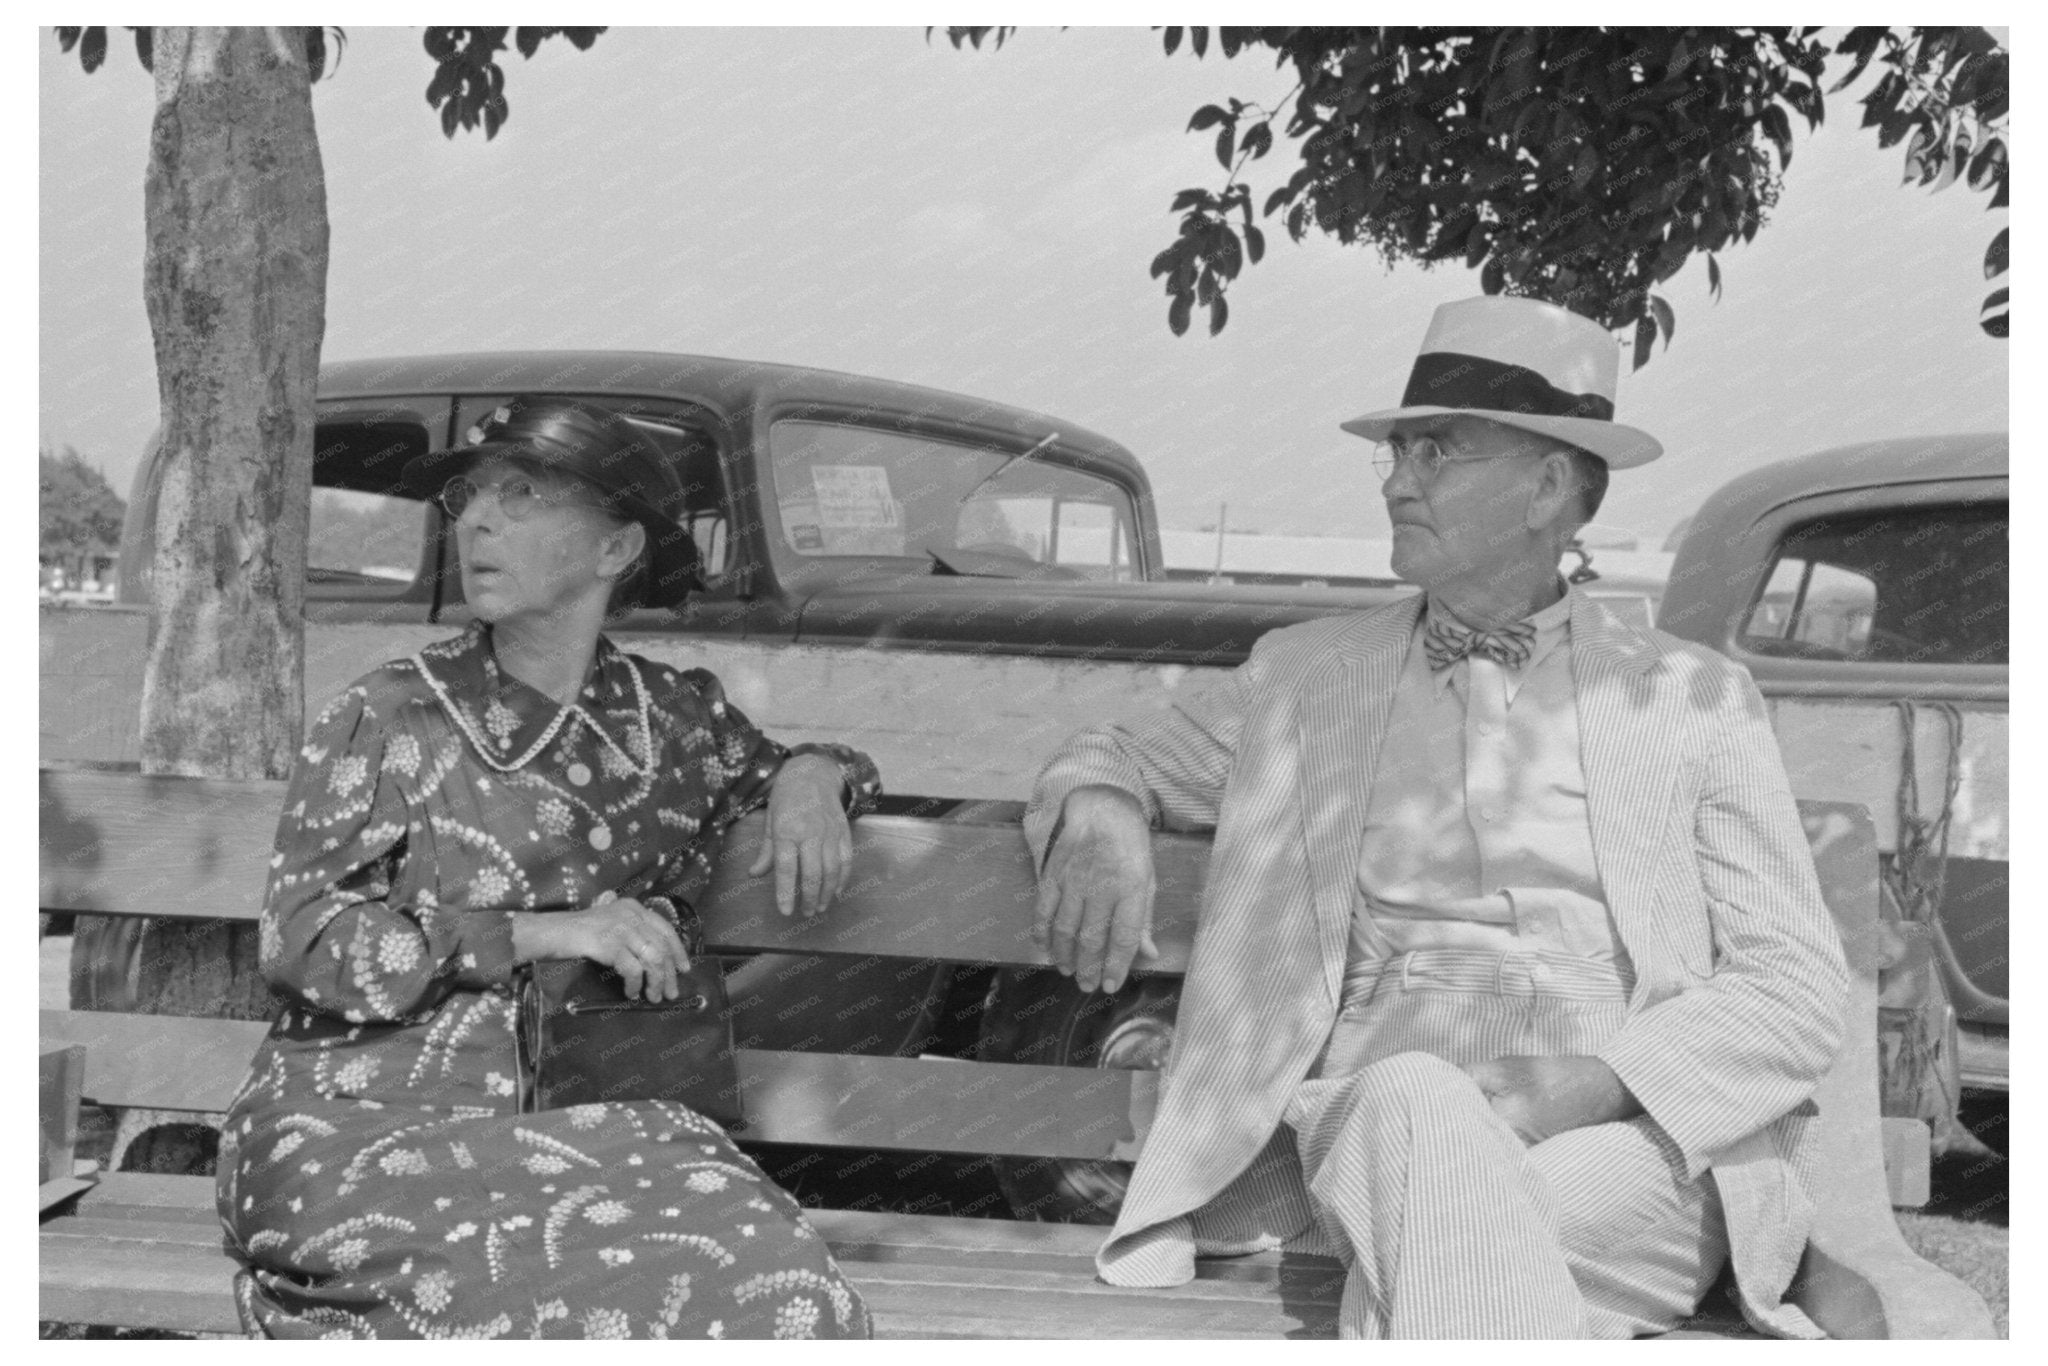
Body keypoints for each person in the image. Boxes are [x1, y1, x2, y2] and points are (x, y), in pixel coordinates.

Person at [1025, 296, 1850, 1339]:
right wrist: (1099, 810)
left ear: (1549, 485)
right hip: (1366, 1113)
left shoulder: (1690, 697)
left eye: (1436, 451)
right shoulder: (1305, 675)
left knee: (1433, 1237)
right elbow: (1112, 747)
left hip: (1631, 1139)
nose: (1398, 480)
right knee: (1412, 1105)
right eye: (1396, 452)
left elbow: (1793, 980)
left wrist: (1600, 1083)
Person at [217, 396, 882, 1339]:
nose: (476, 520)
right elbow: (304, 944)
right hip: (364, 1118)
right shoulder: (389, 716)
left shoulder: (673, 723)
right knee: (501, 1298)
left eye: (520, 495)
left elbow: (794, 767)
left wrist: (816, 776)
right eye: (470, 495)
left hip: (597, 1126)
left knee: (786, 1295)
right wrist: (543, 932)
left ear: (615, 550)